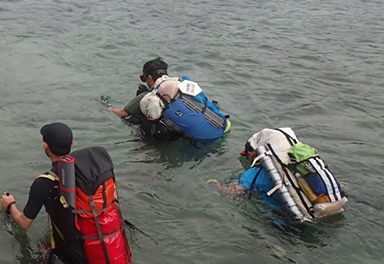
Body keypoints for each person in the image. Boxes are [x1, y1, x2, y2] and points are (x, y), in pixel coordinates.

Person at [0, 122, 131, 264]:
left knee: (41, 252)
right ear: (72, 143)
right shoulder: (91, 170)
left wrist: (10, 206)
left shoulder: (43, 183)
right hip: (101, 242)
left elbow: (24, 223)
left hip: (71, 255)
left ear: (45, 146)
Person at [209, 127, 347, 220]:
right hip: (331, 202)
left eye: (247, 155)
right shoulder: (298, 163)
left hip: (287, 221)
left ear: (252, 153)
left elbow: (234, 192)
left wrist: (215, 186)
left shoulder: (253, 174)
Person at [105, 57, 229, 144]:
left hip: (199, 139)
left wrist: (106, 106)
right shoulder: (184, 84)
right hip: (221, 126)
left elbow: (120, 113)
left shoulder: (147, 98)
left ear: (148, 77)